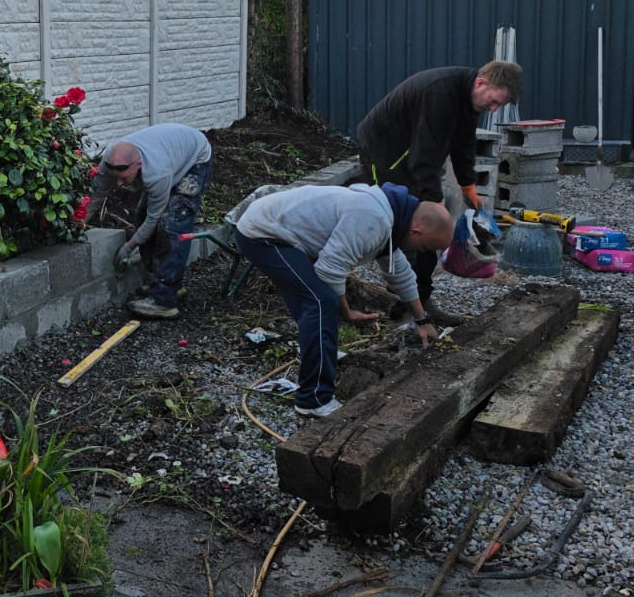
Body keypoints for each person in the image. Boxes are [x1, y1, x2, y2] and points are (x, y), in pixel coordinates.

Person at [234, 182, 455, 418]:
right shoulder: (373, 218)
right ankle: (313, 398)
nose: (422, 253)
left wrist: (422, 319)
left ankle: (320, 356)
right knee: (321, 303)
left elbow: (399, 273)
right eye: (425, 247)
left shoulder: (392, 218)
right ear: (416, 231)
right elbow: (330, 270)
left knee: (316, 301)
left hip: (282, 233)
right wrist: (347, 312)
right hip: (264, 235)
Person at [356, 60, 523, 320]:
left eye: (498, 105)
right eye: (493, 102)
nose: (493, 109)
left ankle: (421, 302)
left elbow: (464, 142)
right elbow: (424, 159)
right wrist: (435, 204)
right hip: (384, 153)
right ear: (481, 83)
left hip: (413, 154)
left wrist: (467, 186)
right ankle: (401, 306)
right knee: (406, 226)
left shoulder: (468, 98)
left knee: (426, 228)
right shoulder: (439, 93)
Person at [91, 123, 212, 319]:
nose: (119, 184)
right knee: (140, 213)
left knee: (172, 226)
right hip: (171, 153)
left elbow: (153, 219)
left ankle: (164, 299)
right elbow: (96, 195)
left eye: (123, 178)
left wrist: (128, 247)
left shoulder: (157, 173)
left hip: (194, 160)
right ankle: (161, 281)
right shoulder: (108, 162)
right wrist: (78, 223)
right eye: (116, 179)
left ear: (137, 165)